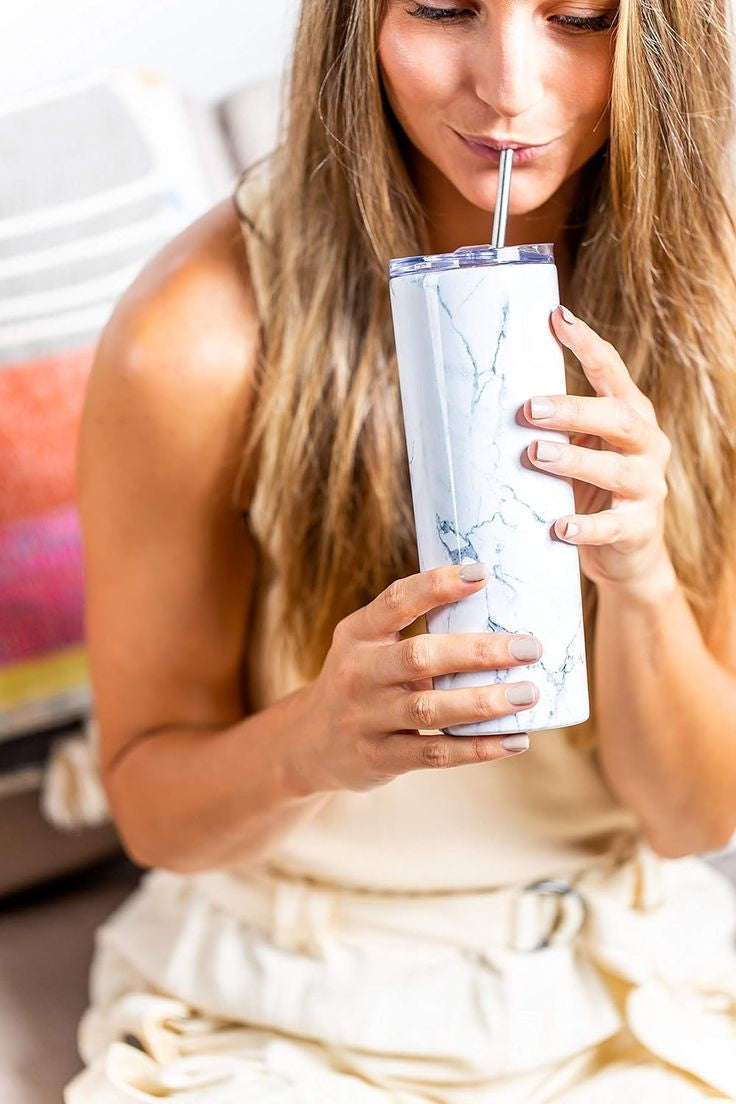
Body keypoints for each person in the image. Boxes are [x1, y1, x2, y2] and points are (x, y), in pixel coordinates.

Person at [64, 0, 736, 1100]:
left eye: (578, 16)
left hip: (610, 983)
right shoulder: (195, 336)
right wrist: (313, 742)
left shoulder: (705, 307)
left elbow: (692, 816)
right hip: (276, 998)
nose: (508, 84)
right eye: (440, 8)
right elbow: (153, 810)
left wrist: (644, 581)